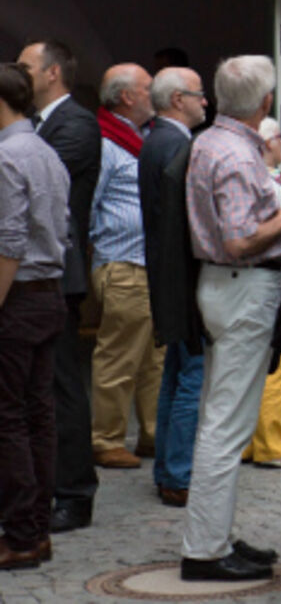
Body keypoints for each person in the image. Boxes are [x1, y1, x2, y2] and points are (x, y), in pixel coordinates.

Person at [180, 55, 281, 582]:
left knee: (222, 417)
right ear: (266, 102)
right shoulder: (233, 153)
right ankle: (205, 551)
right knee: (226, 425)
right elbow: (236, 241)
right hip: (241, 286)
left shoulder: (211, 141)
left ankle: (214, 538)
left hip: (226, 287)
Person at [15, 40, 100, 533]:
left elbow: (36, 187)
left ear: (50, 74)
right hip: (36, 273)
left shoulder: (77, 125)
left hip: (57, 274)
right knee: (36, 387)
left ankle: (74, 492)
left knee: (63, 386)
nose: (19, 75)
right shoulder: (42, 126)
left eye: (25, 67)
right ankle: (41, 486)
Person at [0, 63, 70, 569]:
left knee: (8, 418)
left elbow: (8, 243)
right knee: (38, 414)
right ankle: (37, 530)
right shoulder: (46, 151)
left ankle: (22, 534)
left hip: (18, 297)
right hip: (49, 294)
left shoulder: (7, 156)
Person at [138, 67, 208, 508]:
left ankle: (168, 469)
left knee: (173, 377)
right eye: (200, 95)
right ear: (179, 99)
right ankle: (178, 475)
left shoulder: (156, 140)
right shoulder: (177, 145)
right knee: (191, 380)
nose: (206, 102)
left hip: (167, 278)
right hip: (183, 281)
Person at [89, 63, 164, 469]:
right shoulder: (105, 144)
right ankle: (106, 439)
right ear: (126, 97)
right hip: (123, 264)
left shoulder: (144, 137)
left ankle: (152, 434)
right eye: (149, 87)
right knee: (119, 355)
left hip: (148, 265)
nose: (156, 92)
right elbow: (87, 204)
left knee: (154, 356)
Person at [239, 116, 281, 471]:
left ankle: (251, 443)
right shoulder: (267, 183)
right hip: (277, 280)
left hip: (261, 281)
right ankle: (270, 445)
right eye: (279, 137)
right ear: (267, 143)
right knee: (276, 366)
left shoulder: (256, 179)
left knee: (260, 365)